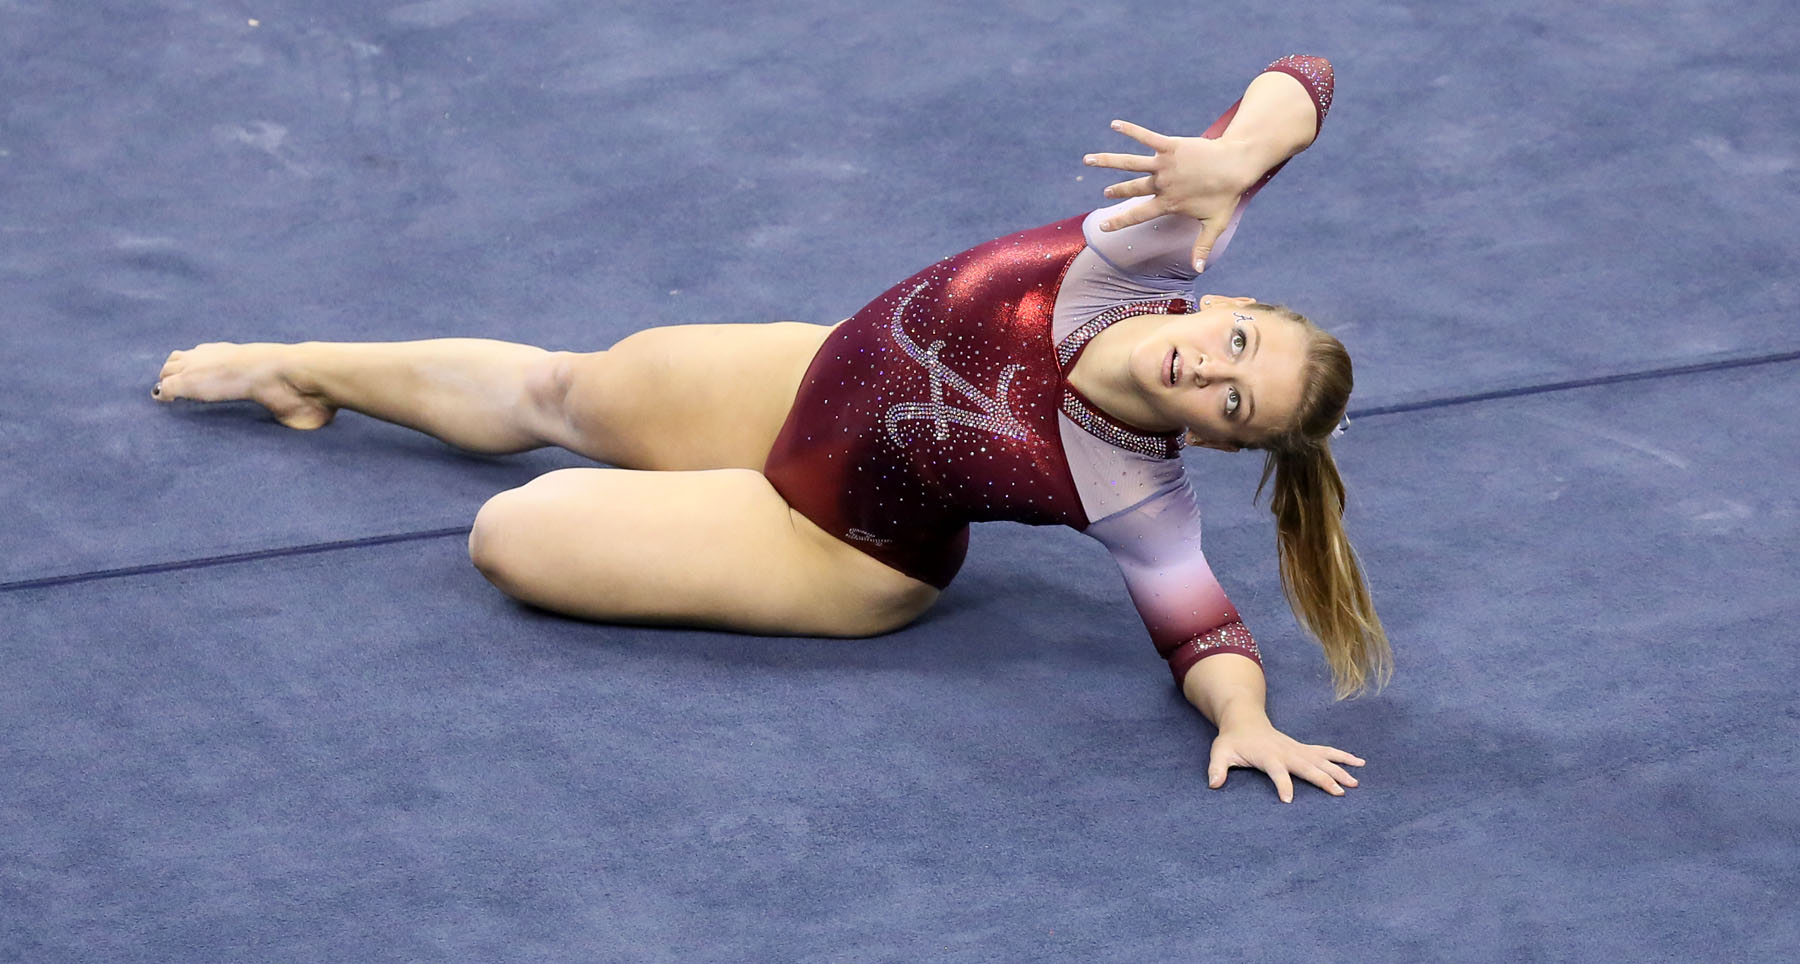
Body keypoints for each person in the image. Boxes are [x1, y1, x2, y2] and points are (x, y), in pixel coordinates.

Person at [153, 54, 1390, 803]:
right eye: (1239, 344)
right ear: (1228, 304)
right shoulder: (1151, 247)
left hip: (837, 539)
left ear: (1218, 442)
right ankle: (298, 368)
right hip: (816, 377)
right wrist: (1238, 155)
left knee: (513, 533)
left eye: (1235, 404)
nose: (1211, 371)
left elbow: (1198, 621)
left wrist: (1246, 721)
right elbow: (1309, 76)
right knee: (568, 391)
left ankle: (676, 512)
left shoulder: (1129, 483)